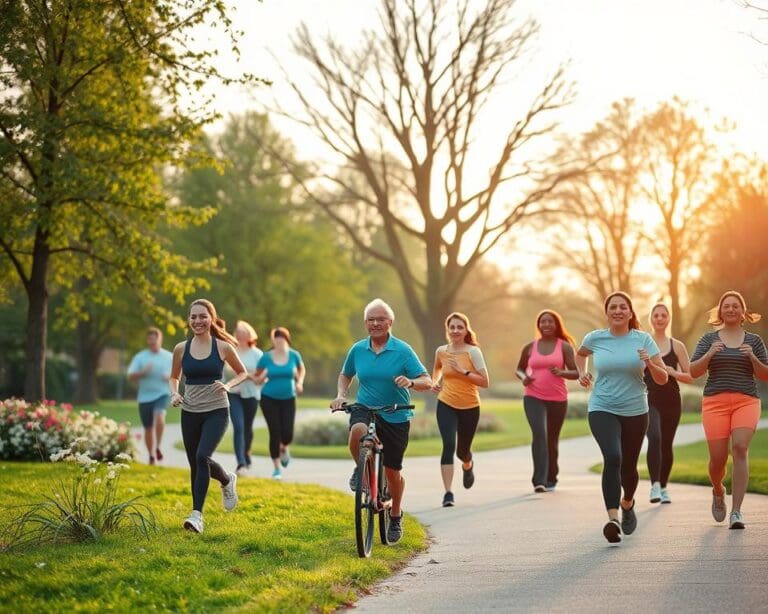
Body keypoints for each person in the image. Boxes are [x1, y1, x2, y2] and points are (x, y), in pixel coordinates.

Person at [330, 298, 432, 544]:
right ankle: (361, 468)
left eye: (381, 319)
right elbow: (346, 374)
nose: (375, 323)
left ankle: (395, 514)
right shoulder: (357, 349)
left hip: (396, 412)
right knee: (357, 430)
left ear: (390, 322)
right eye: (371, 320)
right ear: (366, 323)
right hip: (365, 406)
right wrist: (341, 395)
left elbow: (426, 380)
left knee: (393, 472)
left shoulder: (403, 350)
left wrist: (411, 382)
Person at [575, 291, 669, 544]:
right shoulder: (595, 338)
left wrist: (649, 362)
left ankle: (627, 503)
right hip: (602, 407)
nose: (617, 311)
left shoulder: (643, 339)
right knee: (613, 457)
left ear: (630, 312)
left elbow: (663, 378)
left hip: (636, 411)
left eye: (622, 307)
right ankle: (613, 518)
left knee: (629, 465)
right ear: (606, 313)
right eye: (612, 307)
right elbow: (580, 354)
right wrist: (581, 373)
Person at [689, 291, 768, 530]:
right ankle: (718, 489)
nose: (731, 309)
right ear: (720, 311)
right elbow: (693, 372)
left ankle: (736, 511)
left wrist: (753, 357)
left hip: (746, 400)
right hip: (715, 403)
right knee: (718, 459)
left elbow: (764, 374)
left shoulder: (754, 341)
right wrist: (711, 353)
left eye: (736, 306)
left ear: (743, 312)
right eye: (727, 306)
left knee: (740, 448)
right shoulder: (708, 340)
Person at [169, 298, 247, 534]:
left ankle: (197, 515)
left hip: (216, 410)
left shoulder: (222, 347)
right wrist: (174, 393)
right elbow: (174, 377)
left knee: (202, 455)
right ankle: (226, 479)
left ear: (211, 318)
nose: (197, 321)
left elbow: (242, 372)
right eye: (193, 317)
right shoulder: (181, 348)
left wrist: (228, 385)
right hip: (190, 410)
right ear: (189, 320)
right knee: (195, 462)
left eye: (202, 316)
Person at [515, 310, 579, 493]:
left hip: (558, 399)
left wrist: (562, 373)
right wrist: (524, 377)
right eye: (543, 322)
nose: (546, 325)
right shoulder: (530, 347)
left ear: (556, 324)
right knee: (539, 434)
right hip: (533, 396)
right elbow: (519, 369)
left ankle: (552, 476)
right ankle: (539, 480)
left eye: (550, 321)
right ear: (538, 325)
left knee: (552, 439)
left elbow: (575, 373)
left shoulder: (564, 346)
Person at [431, 312, 490, 507]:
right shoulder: (441, 351)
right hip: (446, 403)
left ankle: (468, 463)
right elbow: (437, 371)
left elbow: (485, 382)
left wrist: (463, 371)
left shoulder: (473, 352)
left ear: (466, 330)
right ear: (447, 329)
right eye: (452, 327)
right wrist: (435, 383)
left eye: (459, 327)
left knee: (462, 451)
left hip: (470, 406)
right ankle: (448, 493)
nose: (455, 330)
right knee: (448, 444)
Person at [645, 302, 693, 504]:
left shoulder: (677, 346)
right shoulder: (643, 344)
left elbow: (691, 376)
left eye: (663, 315)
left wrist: (673, 372)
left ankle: (664, 487)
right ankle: (654, 486)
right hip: (649, 399)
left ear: (668, 318)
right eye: (656, 315)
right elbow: (635, 372)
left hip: (672, 400)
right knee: (654, 437)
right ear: (651, 319)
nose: (659, 318)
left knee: (666, 444)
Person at [255, 326, 305, 480]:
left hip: (289, 398)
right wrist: (258, 378)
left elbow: (301, 370)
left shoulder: (294, 355)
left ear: (286, 339)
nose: (279, 341)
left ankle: (284, 448)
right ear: (273, 341)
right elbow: (258, 377)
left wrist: (299, 382)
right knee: (275, 432)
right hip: (268, 398)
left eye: (282, 338)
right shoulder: (266, 357)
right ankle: (277, 468)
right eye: (276, 339)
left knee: (287, 433)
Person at [127, 327, 173, 465]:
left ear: (160, 340)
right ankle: (151, 455)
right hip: (144, 397)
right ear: (148, 341)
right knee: (148, 428)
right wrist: (143, 372)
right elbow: (130, 376)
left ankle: (158, 446)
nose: (153, 342)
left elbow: (178, 373)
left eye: (155, 339)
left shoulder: (169, 357)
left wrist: (170, 377)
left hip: (162, 394)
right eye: (150, 340)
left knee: (159, 416)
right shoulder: (140, 357)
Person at [226, 320, 263, 476]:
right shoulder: (231, 350)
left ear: (249, 334)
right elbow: (227, 373)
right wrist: (248, 375)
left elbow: (260, 378)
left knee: (247, 428)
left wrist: (244, 375)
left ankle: (247, 455)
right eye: (238, 331)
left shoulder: (258, 354)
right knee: (239, 427)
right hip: (234, 394)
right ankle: (240, 462)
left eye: (243, 331)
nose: (240, 334)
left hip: (251, 395)